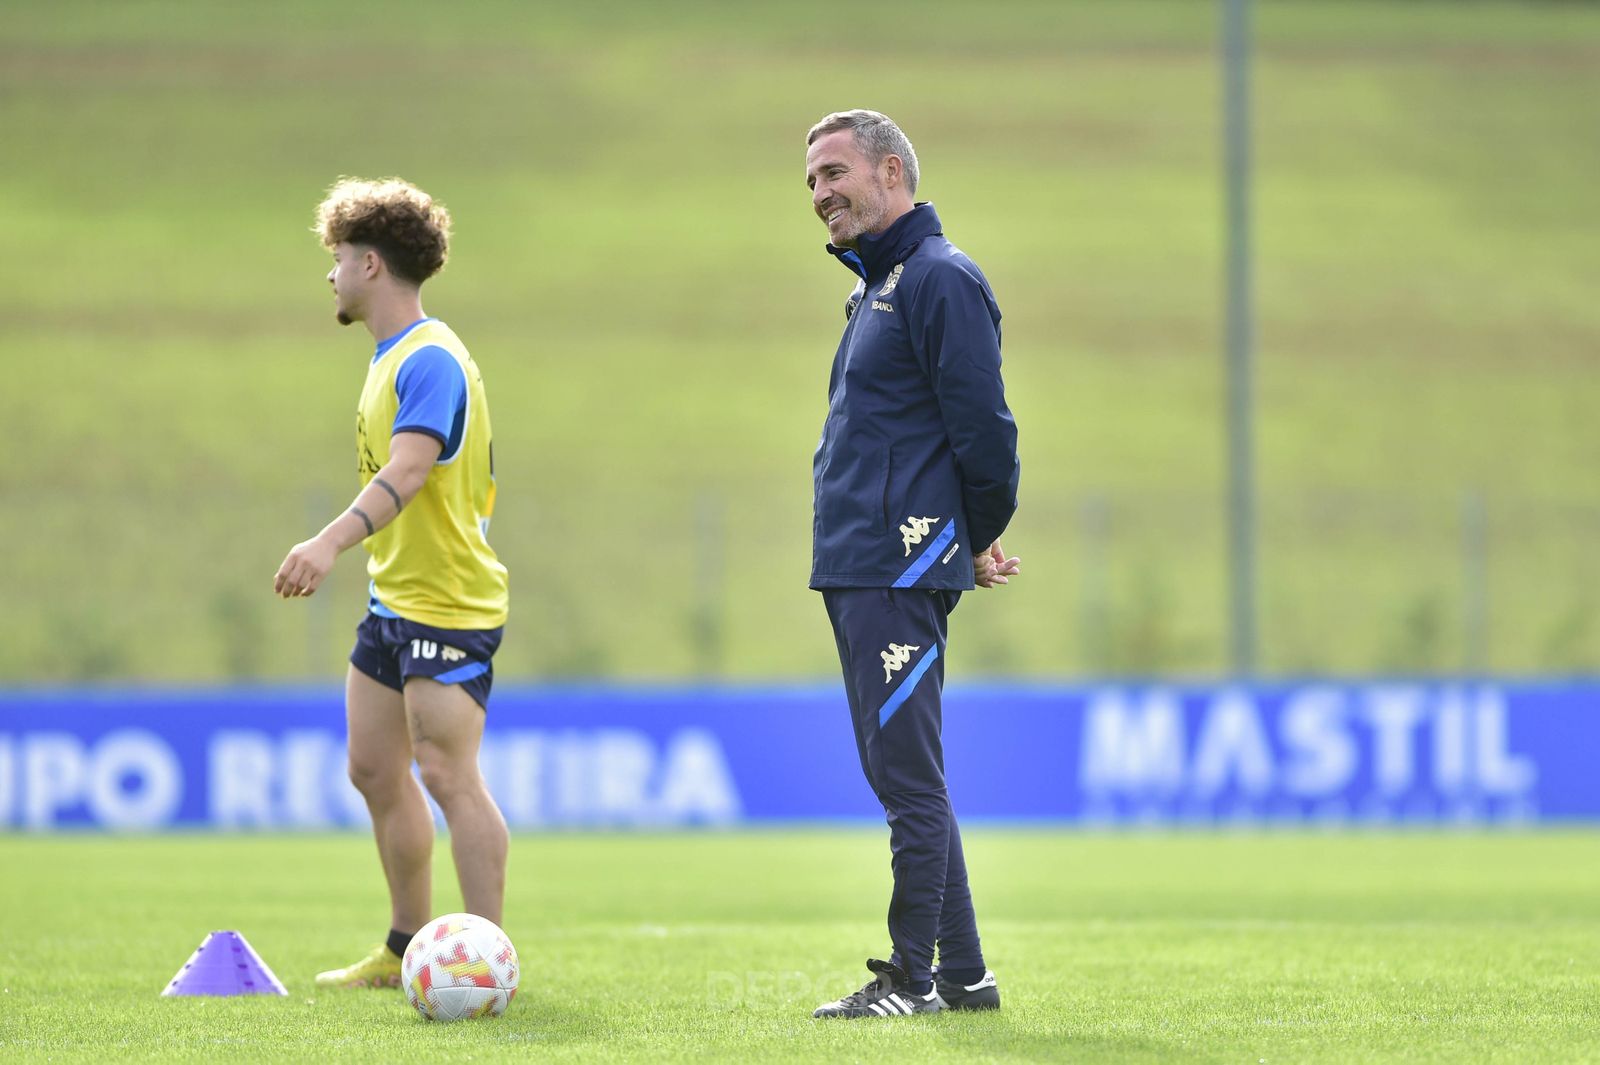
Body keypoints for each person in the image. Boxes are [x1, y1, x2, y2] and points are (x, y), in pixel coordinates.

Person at [802, 111, 1021, 1019]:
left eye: (834, 172)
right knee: (907, 773)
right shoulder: (877, 290)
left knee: (906, 780)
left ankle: (911, 978)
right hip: (864, 564)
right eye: (810, 181)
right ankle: (965, 975)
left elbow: (988, 435)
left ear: (893, 172)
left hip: (897, 565)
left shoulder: (939, 280)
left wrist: (965, 534)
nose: (820, 194)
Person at [273, 177, 511, 989]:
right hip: (394, 597)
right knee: (374, 766)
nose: (331, 274)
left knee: (448, 773)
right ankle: (405, 945)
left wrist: (327, 542)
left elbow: (408, 473)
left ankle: (485, 960)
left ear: (370, 264)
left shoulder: (431, 359)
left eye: (337, 259)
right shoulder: (391, 358)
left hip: (449, 600)